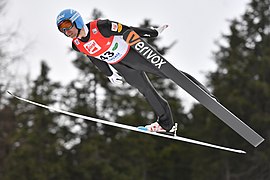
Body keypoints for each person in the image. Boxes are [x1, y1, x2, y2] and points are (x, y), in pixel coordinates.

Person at [56, 9, 215, 133]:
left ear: (76, 21)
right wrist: (109, 74)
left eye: (67, 26)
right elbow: (94, 57)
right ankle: (165, 124)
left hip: (133, 55)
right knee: (146, 90)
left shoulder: (100, 26)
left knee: (170, 73)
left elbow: (127, 30)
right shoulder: (77, 44)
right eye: (62, 29)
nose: (66, 31)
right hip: (120, 66)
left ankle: (206, 95)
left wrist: (153, 33)